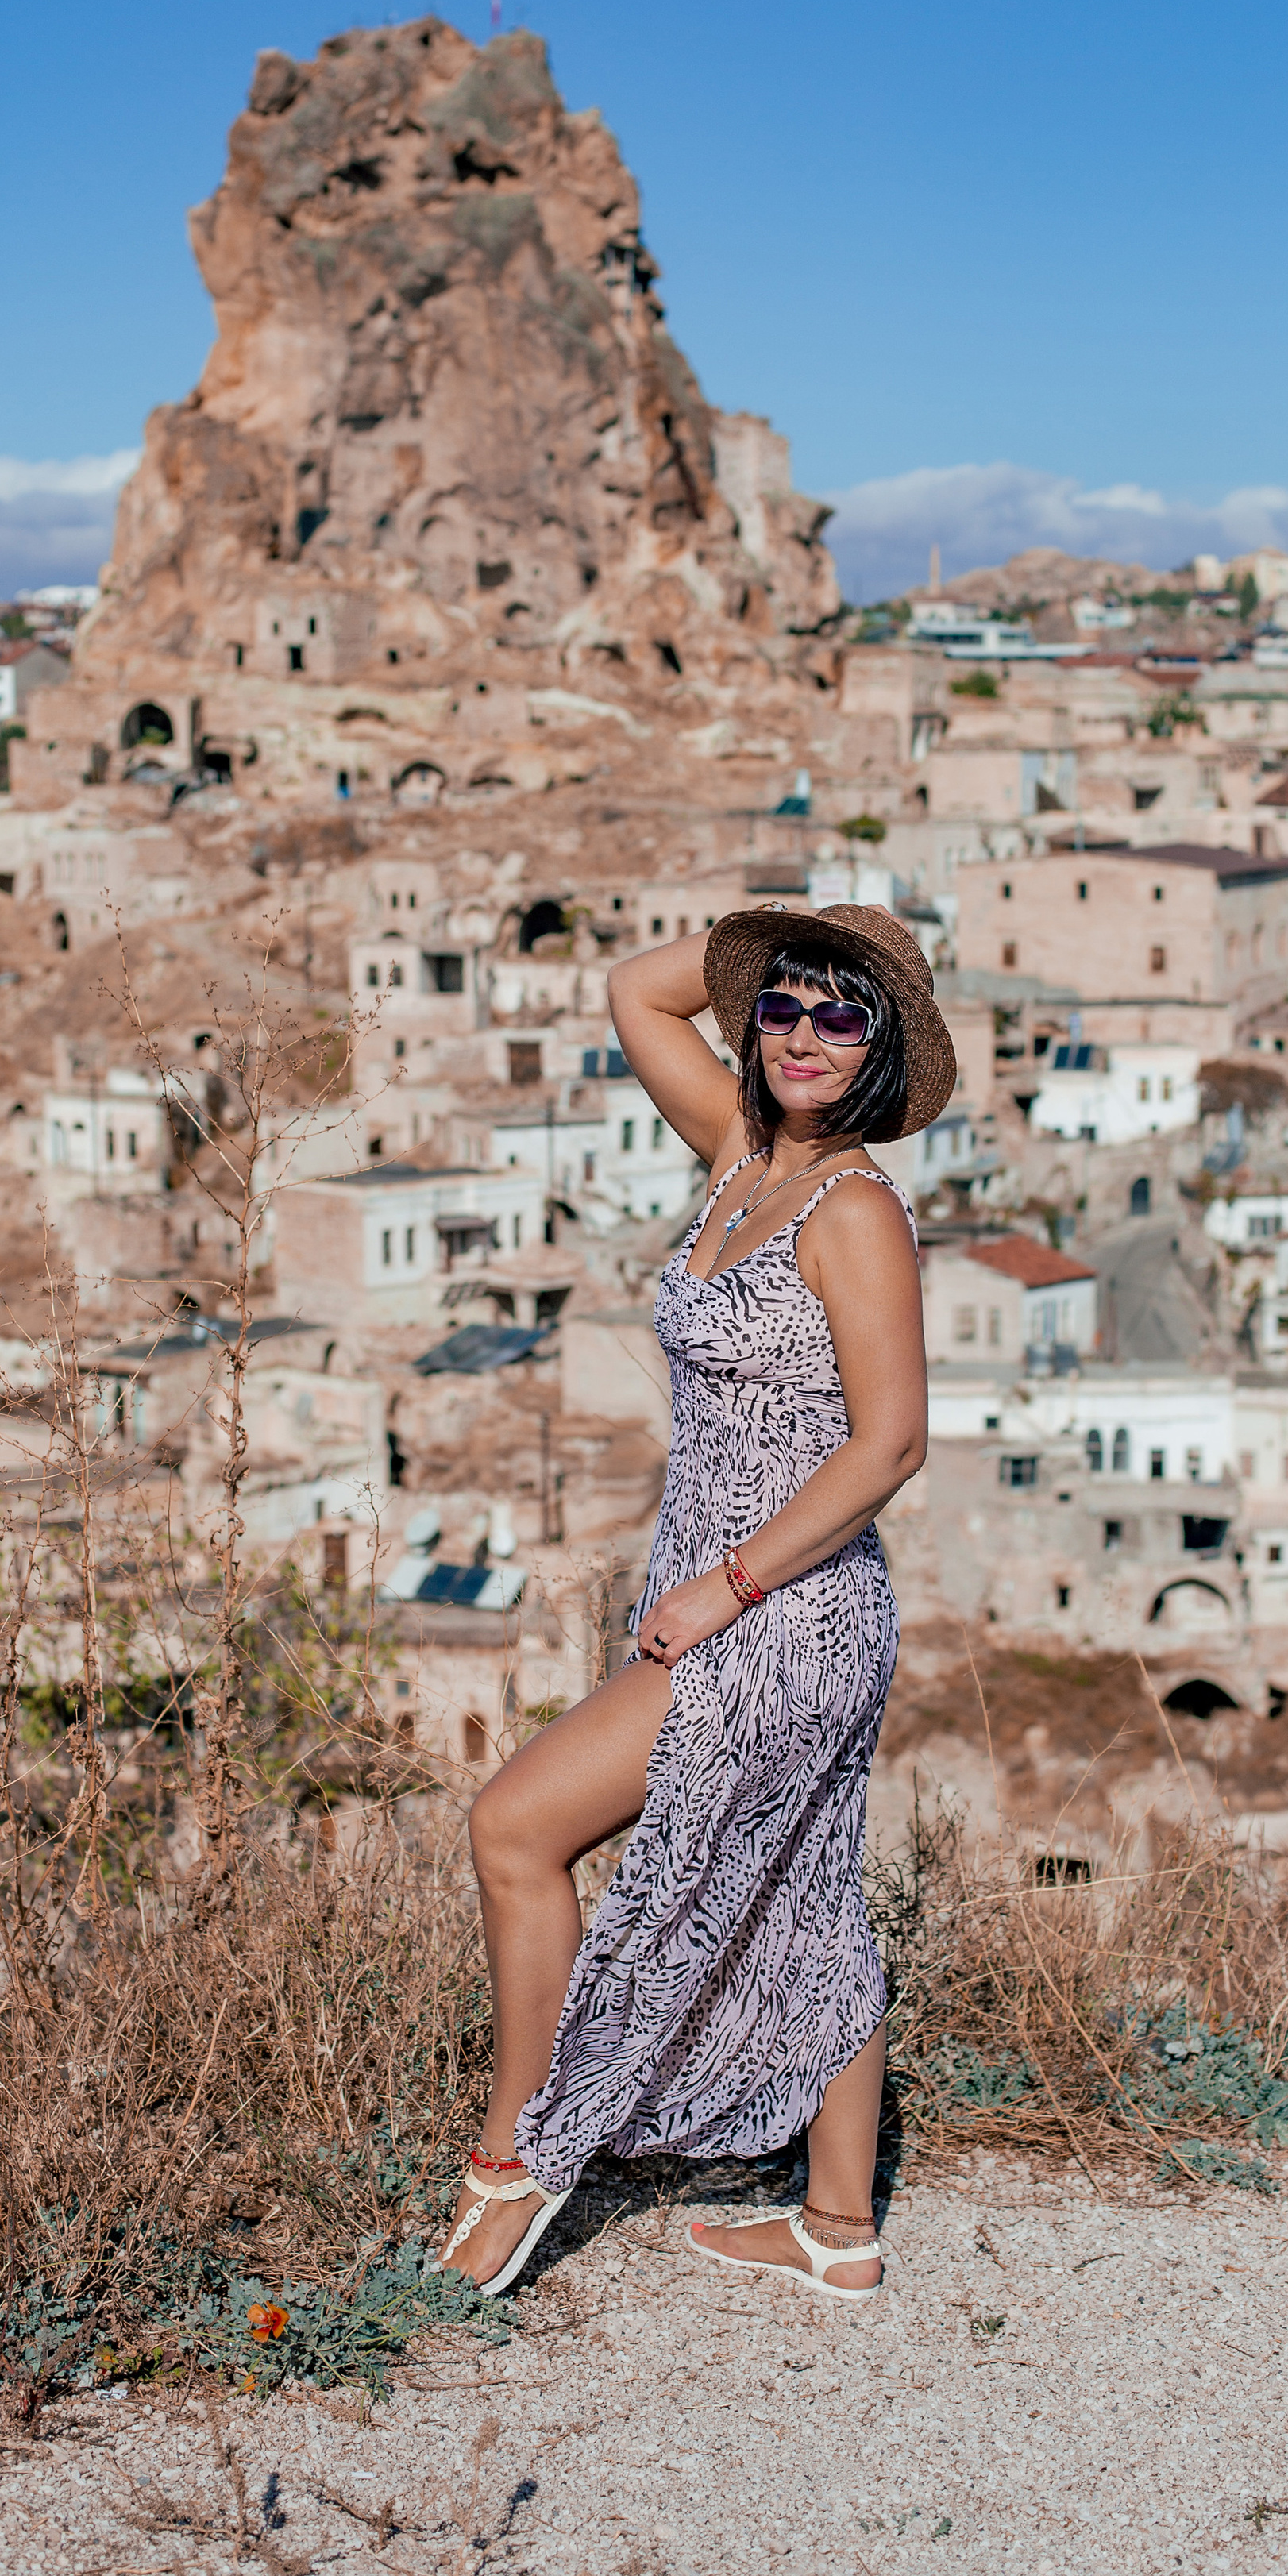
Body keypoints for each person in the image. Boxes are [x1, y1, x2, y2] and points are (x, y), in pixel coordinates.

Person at [430, 902, 953, 2300]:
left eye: (843, 1014)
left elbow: (892, 1444)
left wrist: (730, 1587)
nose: (802, 1036)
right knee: (807, 1894)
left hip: (783, 1609)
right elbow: (636, 990)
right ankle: (838, 2229)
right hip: (729, 1593)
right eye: (781, 1005)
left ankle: (520, 2159)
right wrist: (793, 925)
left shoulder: (854, 1212)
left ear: (886, 1047)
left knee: (515, 1828)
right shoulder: (739, 1152)